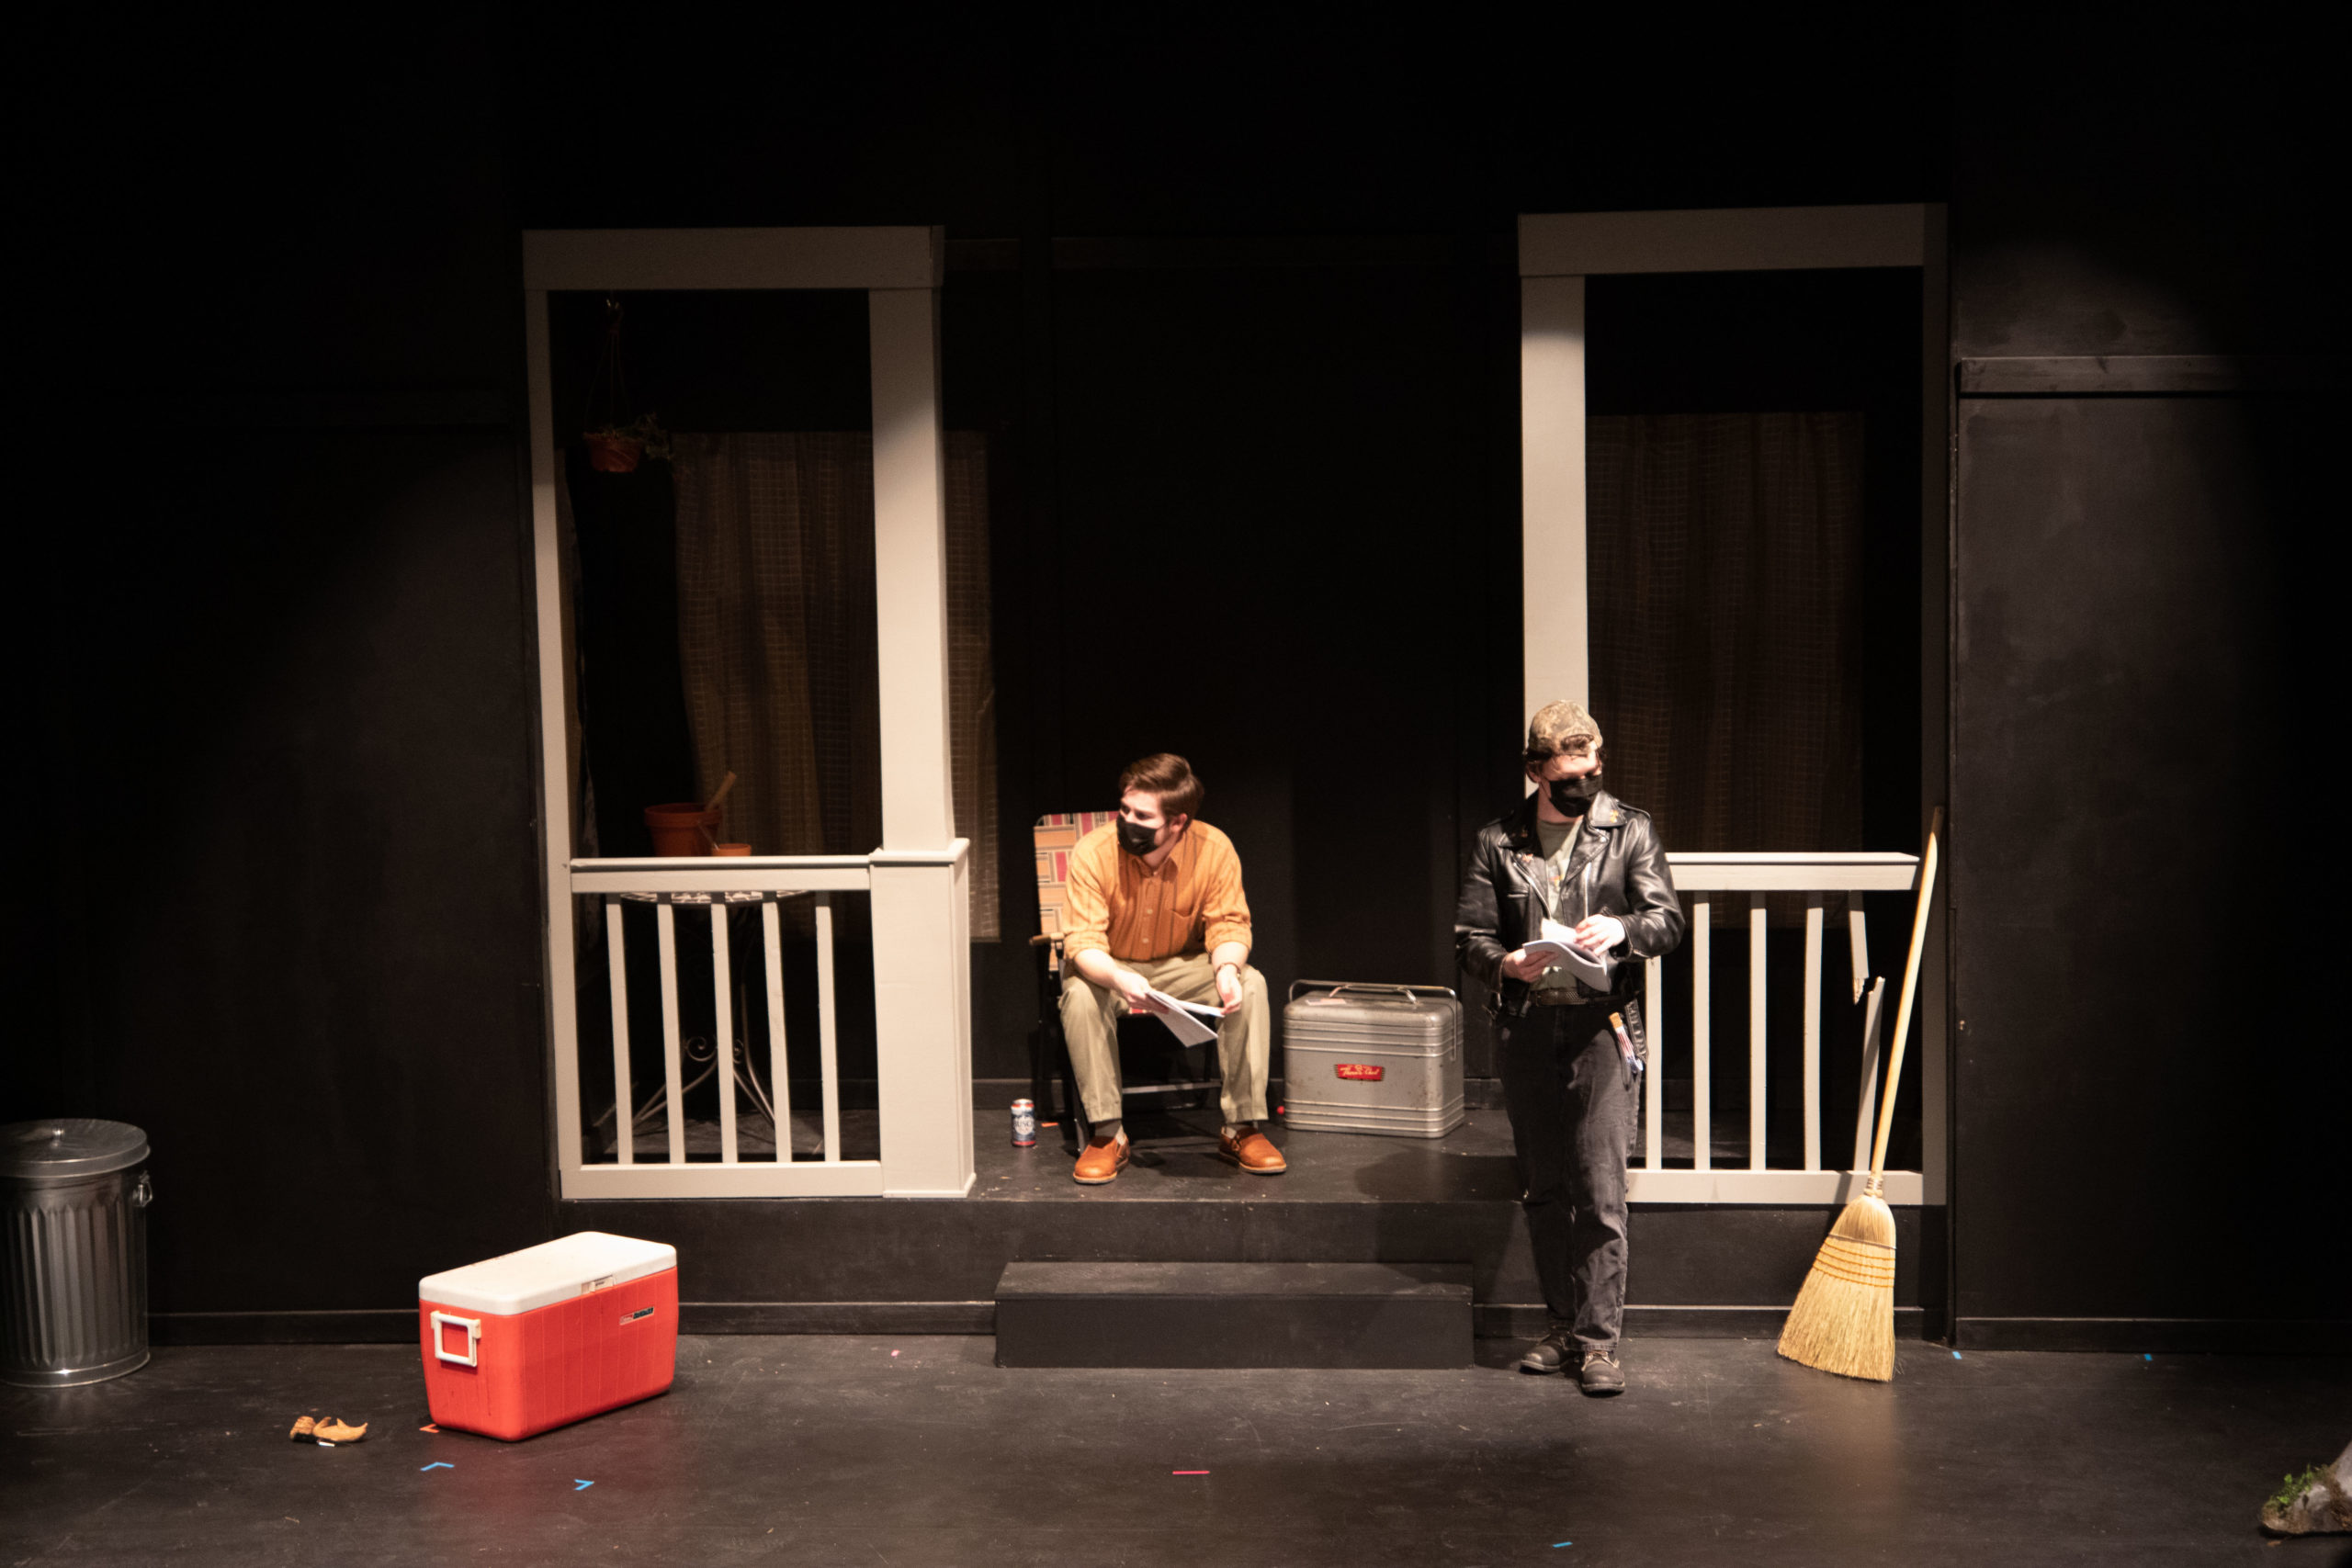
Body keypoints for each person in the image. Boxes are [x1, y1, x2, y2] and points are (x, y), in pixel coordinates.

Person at [1454, 701, 1684, 1395]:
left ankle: (1598, 1341)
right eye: (1570, 775)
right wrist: (1505, 964)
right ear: (1536, 772)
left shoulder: (1628, 828)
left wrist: (1620, 930)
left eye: (1593, 771)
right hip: (1528, 1026)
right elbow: (1470, 937)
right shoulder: (1500, 839)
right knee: (1545, 1187)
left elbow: (1666, 920)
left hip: (1601, 1025)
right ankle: (1561, 1326)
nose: (1586, 785)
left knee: (1601, 1187)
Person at [1057, 753, 1283, 1185]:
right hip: (1111, 967)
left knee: (1250, 982)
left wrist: (1227, 969)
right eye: (1124, 809)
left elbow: (1229, 924)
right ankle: (1107, 1133)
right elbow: (1082, 943)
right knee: (1080, 993)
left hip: (1182, 965)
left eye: (1142, 815)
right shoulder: (1093, 852)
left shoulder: (1214, 849)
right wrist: (1120, 978)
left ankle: (1242, 1128)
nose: (1127, 820)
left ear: (1177, 823)